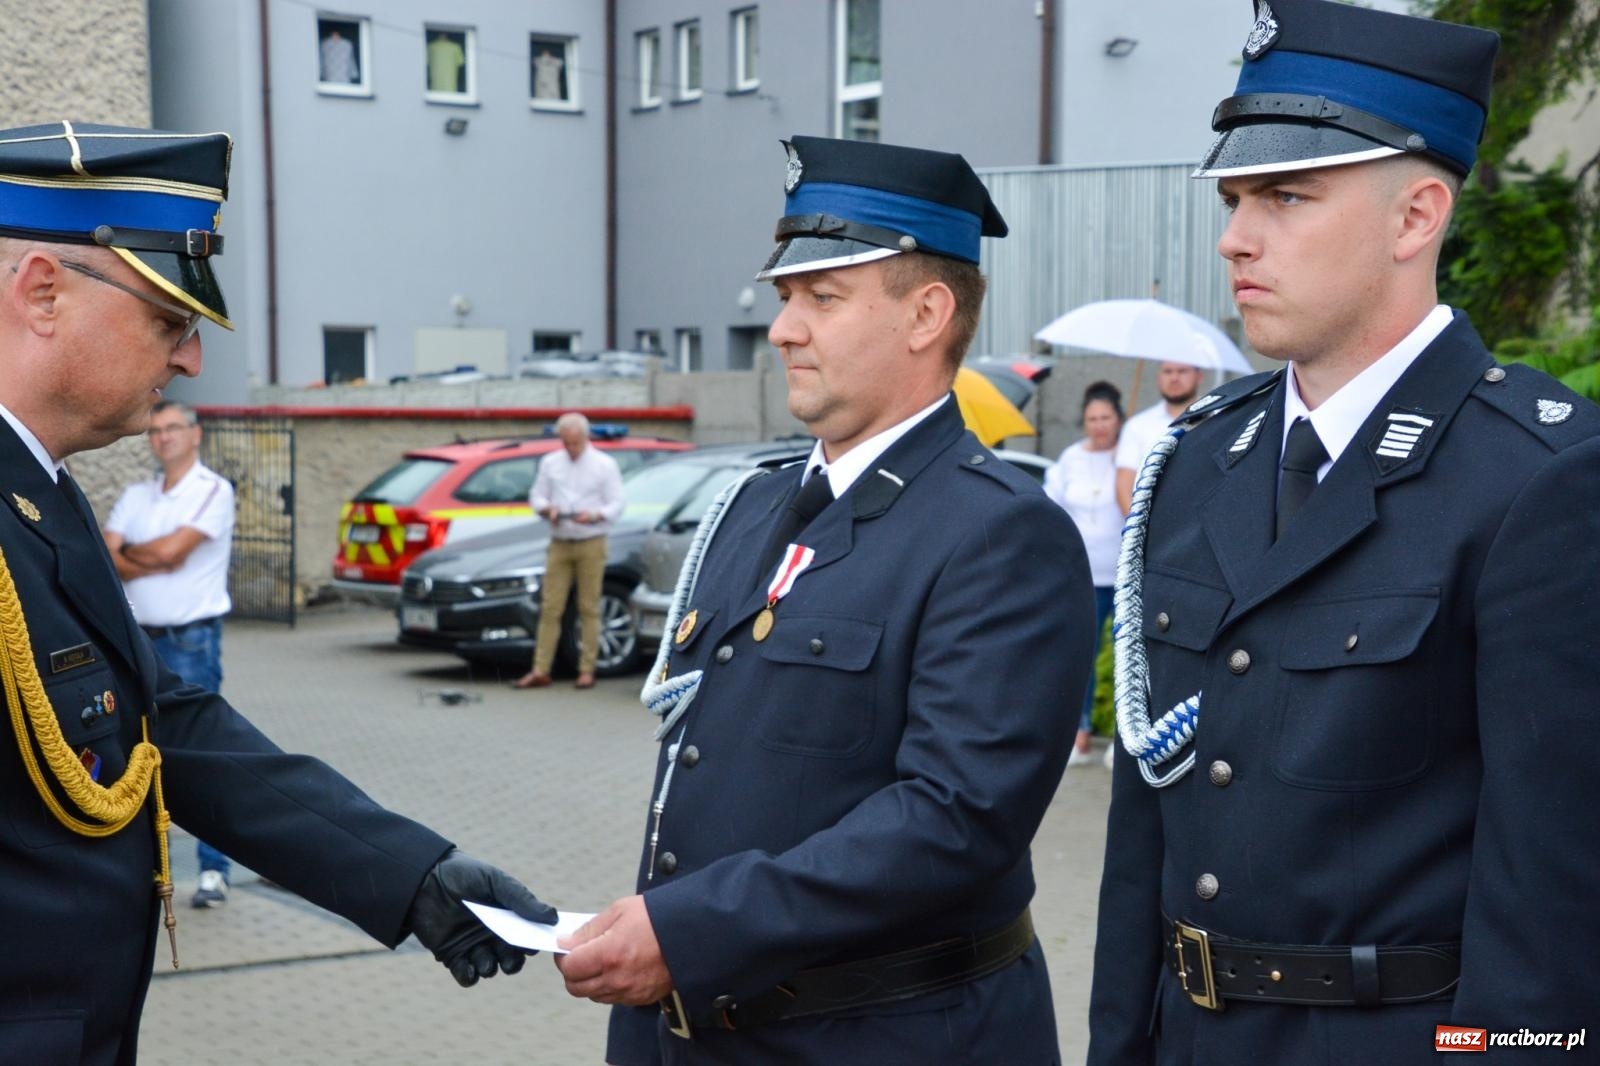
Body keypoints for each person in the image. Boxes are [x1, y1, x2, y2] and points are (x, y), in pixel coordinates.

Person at [1089, 4, 1600, 1064]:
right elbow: (1143, 833)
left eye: (1285, 195)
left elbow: (1551, 904)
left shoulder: (1537, 479)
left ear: (1415, 216)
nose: (1234, 234)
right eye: (1234, 196)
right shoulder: (1194, 463)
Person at [0, 122, 555, 1065]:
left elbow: (162, 727)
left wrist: (409, 874)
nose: (189, 362)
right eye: (170, 321)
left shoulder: (44, 493)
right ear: (44, 292)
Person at [556, 135, 1095, 1064]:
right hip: (695, 1026)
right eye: (785, 298)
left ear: (927, 314)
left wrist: (688, 930)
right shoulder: (757, 501)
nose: (782, 329)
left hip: (883, 1036)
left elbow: (952, 819)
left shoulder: (999, 533)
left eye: (823, 298)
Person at [102, 400, 238, 908]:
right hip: (135, 641)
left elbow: (168, 554)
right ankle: (148, 870)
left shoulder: (212, 491)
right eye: (155, 430)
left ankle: (213, 872)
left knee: (201, 758)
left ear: (195, 434)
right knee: (132, 759)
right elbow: (106, 558)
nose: (163, 437)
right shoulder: (137, 495)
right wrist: (147, 555)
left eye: (173, 428)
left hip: (191, 642)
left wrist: (138, 554)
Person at [512, 412, 624, 690]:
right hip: (560, 540)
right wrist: (547, 509)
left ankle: (587, 669)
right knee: (551, 607)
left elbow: (617, 503)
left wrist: (596, 515)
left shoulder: (604, 465)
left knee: (588, 606)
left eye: (575, 443)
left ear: (585, 438)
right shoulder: (551, 462)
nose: (570, 448)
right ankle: (541, 669)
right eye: (566, 442)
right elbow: (536, 496)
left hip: (591, 540)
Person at [1044, 381, 1123, 769]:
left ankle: (1122, 741)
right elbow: (1050, 509)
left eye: (1106, 417)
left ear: (1118, 418)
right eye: (1092, 418)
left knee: (1125, 656)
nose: (1099, 425)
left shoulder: (1128, 457)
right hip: (1082, 577)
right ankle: (1080, 734)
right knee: (1083, 656)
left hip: (1123, 574)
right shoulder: (1070, 458)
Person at [1113, 360, 1203, 514]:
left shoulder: (1218, 417)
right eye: (1167, 371)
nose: (1174, 378)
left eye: (1182, 371)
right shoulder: (1137, 425)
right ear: (1158, 377)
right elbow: (1124, 486)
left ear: (1199, 376)